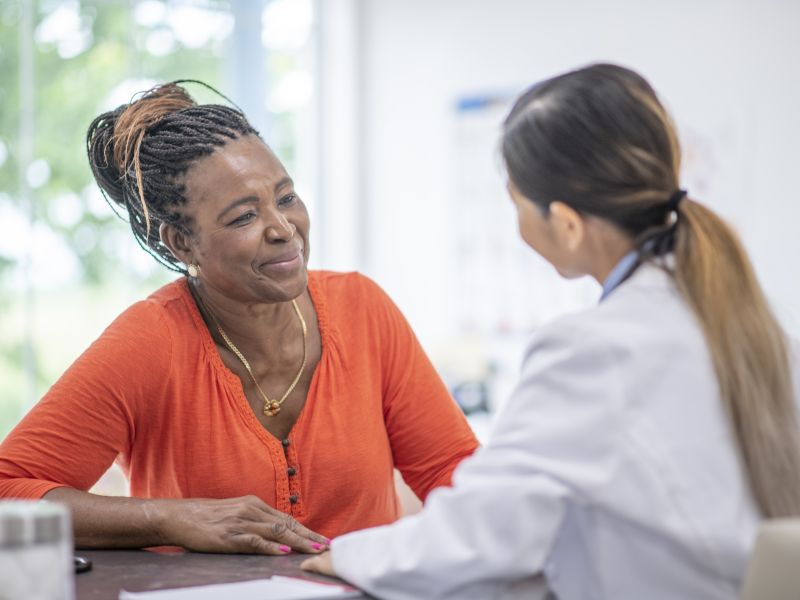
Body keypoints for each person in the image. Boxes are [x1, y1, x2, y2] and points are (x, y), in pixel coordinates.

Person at [301, 63, 800, 598]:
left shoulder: (596, 348)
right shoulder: (744, 318)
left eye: (516, 202)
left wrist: (348, 554)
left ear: (565, 222)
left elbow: (477, 536)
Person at [0, 82, 478, 555]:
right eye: (244, 216)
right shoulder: (150, 341)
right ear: (181, 243)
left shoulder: (362, 308)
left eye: (286, 197)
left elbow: (450, 472)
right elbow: (7, 491)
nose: (283, 229)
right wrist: (170, 517)